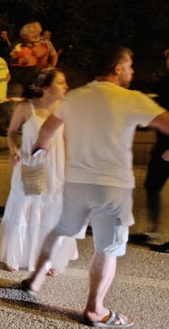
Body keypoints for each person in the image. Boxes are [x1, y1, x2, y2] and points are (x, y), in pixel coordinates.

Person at [22, 45, 169, 328]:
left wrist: (39, 150)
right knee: (108, 248)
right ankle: (94, 310)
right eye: (130, 65)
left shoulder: (75, 97)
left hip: (76, 181)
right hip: (112, 186)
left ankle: (34, 280)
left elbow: (47, 130)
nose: (132, 70)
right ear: (117, 68)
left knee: (61, 230)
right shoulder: (131, 99)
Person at [0, 68, 78, 273]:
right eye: (61, 82)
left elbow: (69, 140)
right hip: (32, 165)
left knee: (53, 209)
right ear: (45, 87)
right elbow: (11, 133)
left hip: (56, 167)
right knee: (29, 205)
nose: (66, 86)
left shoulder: (65, 109)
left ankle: (49, 259)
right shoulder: (26, 108)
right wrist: (13, 149)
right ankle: (16, 255)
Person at [146, 48, 169, 243]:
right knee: (152, 185)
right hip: (162, 143)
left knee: (153, 185)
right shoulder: (163, 83)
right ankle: (153, 230)